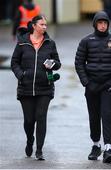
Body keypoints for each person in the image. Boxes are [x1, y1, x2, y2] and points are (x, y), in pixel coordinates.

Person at [75, 11, 111, 163]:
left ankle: (108, 148)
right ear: (95, 24)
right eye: (100, 23)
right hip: (92, 86)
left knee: (107, 115)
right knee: (94, 116)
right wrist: (86, 82)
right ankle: (96, 145)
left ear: (108, 24)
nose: (103, 26)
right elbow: (79, 63)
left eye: (105, 23)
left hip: (108, 85)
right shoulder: (86, 41)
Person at [11, 15, 61, 160]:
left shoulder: (50, 43)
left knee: (41, 117)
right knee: (28, 120)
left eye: (46, 25)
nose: (45, 27)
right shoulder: (22, 43)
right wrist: (21, 75)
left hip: (44, 87)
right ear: (34, 26)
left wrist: (52, 63)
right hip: (25, 87)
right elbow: (14, 63)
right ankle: (29, 140)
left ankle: (39, 150)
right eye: (42, 24)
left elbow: (58, 63)